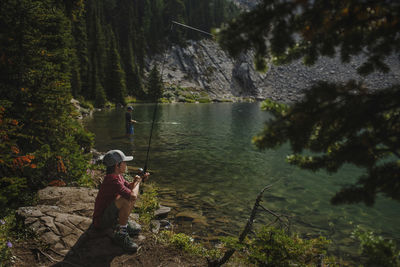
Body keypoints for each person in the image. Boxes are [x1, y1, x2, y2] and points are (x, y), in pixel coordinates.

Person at [92, 149, 149, 252]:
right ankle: (121, 235)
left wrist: (137, 180)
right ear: (117, 166)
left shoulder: (117, 176)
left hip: (109, 215)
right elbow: (133, 196)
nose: (126, 165)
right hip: (101, 221)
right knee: (126, 200)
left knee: (127, 197)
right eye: (124, 162)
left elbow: (130, 187)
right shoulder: (112, 180)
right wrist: (138, 183)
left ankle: (123, 223)